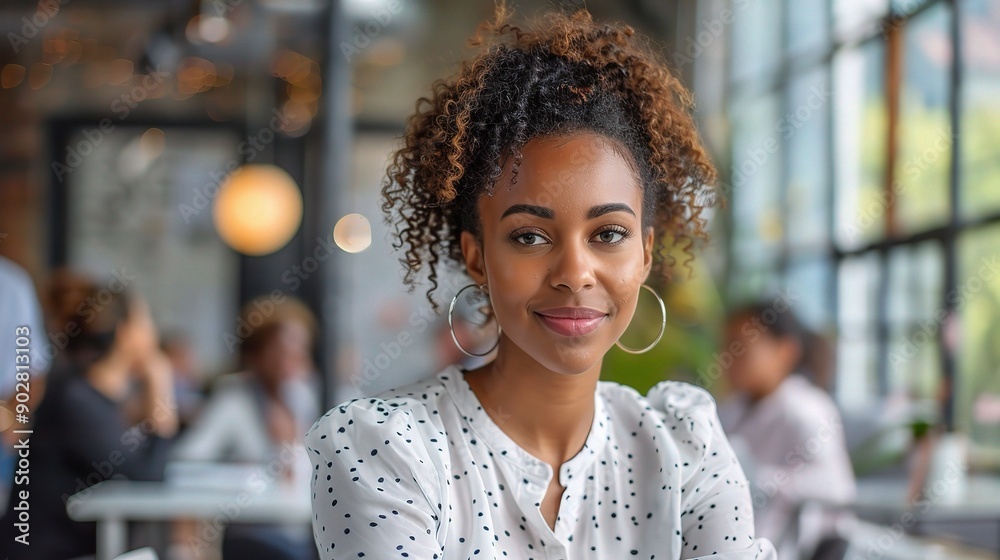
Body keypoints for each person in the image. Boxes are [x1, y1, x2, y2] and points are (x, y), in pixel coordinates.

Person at [304, 6, 777, 559]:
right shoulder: (387, 451)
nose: (575, 274)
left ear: (646, 253)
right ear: (477, 257)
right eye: (529, 236)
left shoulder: (687, 450)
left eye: (608, 234)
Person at [0, 285, 177, 560]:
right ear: (126, 333)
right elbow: (147, 475)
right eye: (146, 321)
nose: (153, 333)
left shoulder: (93, 398)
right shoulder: (77, 400)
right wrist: (160, 382)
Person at [170, 296, 320, 560]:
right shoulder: (234, 398)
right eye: (283, 351)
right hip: (255, 536)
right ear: (255, 355)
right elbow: (186, 462)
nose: (294, 361)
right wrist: (243, 475)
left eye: (301, 351)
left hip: (305, 528)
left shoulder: (304, 396)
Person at [717, 302, 856, 559]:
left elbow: (836, 488)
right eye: (726, 346)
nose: (728, 358)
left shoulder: (806, 408)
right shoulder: (732, 409)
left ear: (785, 351)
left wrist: (760, 480)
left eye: (740, 348)